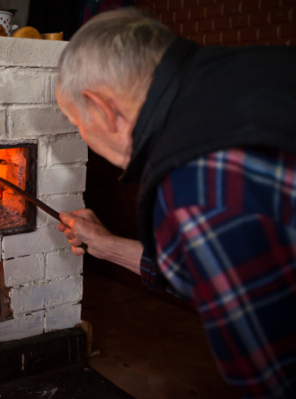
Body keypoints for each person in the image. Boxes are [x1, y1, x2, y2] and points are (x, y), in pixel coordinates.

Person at [56, 7, 296, 399]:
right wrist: (108, 245)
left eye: (76, 123)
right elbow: (206, 271)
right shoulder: (253, 70)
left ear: (101, 107)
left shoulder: (196, 186)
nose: (83, 136)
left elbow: (274, 381)